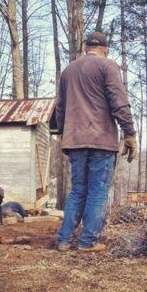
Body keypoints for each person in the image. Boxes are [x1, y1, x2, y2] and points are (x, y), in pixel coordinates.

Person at [56, 31, 137, 252]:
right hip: (100, 139)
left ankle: (63, 240)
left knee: (78, 190)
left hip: (75, 140)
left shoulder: (68, 71)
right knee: (98, 191)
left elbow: (60, 108)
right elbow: (119, 102)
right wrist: (129, 134)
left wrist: (64, 133)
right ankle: (87, 242)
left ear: (85, 48)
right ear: (105, 49)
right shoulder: (108, 66)